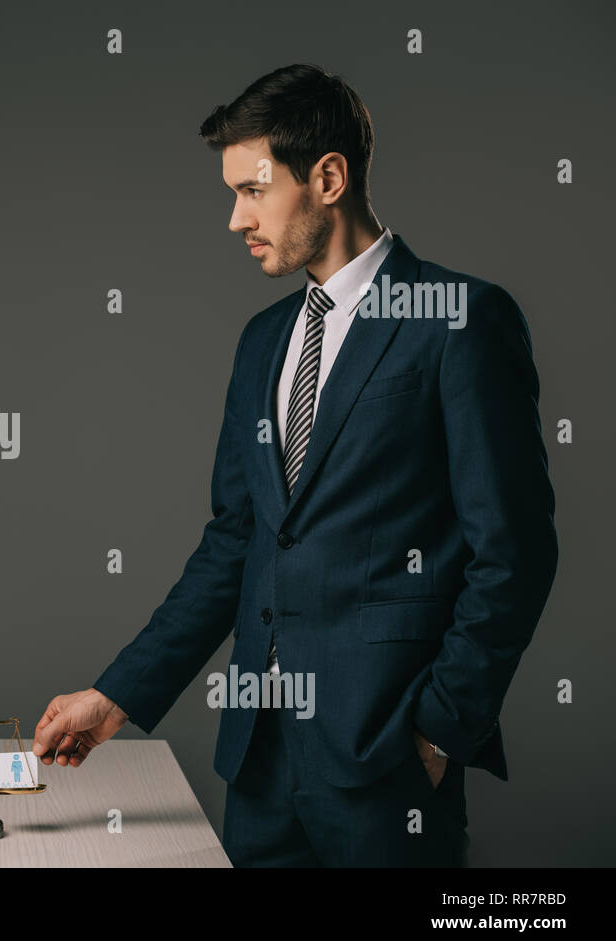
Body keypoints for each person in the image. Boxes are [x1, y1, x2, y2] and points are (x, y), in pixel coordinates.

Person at [31, 64, 558, 866]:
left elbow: (515, 553)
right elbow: (236, 544)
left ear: (329, 177)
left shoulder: (459, 321)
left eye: (252, 189)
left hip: (387, 762)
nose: (235, 217)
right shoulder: (261, 342)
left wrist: (439, 728)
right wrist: (116, 697)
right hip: (259, 765)